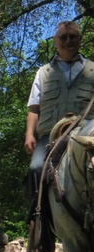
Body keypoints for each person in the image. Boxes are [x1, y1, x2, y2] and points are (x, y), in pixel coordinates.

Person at [25, 21, 94, 194]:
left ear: (80, 40)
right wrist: (29, 134)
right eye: (63, 37)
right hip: (50, 134)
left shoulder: (93, 69)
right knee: (35, 168)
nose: (68, 41)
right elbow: (34, 108)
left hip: (87, 131)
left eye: (72, 37)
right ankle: (36, 216)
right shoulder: (43, 72)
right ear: (55, 41)